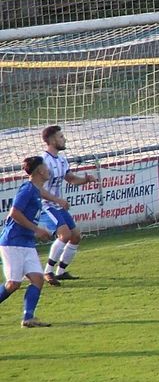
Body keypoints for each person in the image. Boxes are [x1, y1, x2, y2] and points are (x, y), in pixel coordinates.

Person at [37, 125, 96, 285]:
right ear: (51, 140)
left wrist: (86, 180)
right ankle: (47, 272)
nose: (64, 139)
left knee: (75, 236)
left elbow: (70, 179)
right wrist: (58, 201)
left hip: (57, 205)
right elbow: (38, 189)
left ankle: (61, 272)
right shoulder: (42, 161)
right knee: (65, 235)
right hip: (45, 205)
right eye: (61, 137)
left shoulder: (62, 160)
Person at [0, 157, 54, 327]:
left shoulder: (36, 190)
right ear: (39, 170)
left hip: (27, 243)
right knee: (13, 284)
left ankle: (28, 318)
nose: (48, 169)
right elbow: (14, 213)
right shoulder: (27, 189)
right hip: (13, 242)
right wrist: (36, 229)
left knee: (38, 279)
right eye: (45, 166)